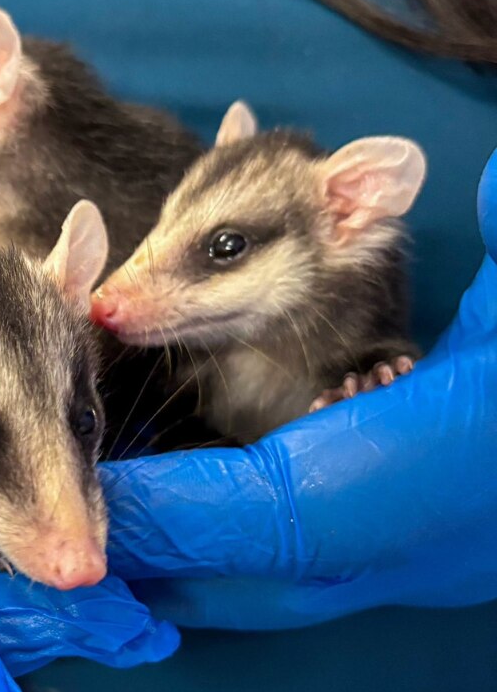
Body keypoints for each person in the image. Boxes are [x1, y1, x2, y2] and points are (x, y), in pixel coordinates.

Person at [103, 149, 497, 630]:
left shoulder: (357, 350)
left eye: (225, 247)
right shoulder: (196, 361)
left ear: (346, 211)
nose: (110, 295)